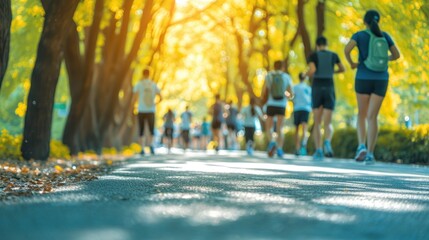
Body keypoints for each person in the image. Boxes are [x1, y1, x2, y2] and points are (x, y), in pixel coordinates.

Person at [344, 10, 400, 164]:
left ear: (365, 22)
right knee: (372, 116)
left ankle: (361, 145)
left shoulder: (359, 35)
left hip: (362, 77)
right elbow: (397, 55)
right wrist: (384, 58)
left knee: (362, 114)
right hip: (381, 79)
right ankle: (370, 153)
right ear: (378, 21)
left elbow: (346, 50)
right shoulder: (385, 36)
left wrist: (352, 63)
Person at [303, 36, 345, 160]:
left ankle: (319, 150)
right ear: (326, 44)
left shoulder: (313, 55)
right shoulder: (334, 55)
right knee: (328, 123)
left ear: (317, 45)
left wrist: (305, 74)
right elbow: (343, 69)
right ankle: (327, 141)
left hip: (317, 87)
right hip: (329, 87)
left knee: (317, 122)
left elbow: (312, 69)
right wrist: (332, 72)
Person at [261, 60, 294, 158]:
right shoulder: (286, 77)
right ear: (282, 67)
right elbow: (291, 94)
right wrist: (286, 95)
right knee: (280, 128)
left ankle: (272, 142)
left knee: (269, 127)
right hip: (282, 105)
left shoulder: (269, 76)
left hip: (271, 104)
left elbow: (263, 92)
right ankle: (279, 149)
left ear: (274, 66)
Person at [133, 68, 162, 155]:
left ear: (142, 74)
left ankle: (142, 149)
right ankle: (151, 146)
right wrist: (155, 103)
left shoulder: (139, 84)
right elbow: (161, 97)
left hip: (141, 109)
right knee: (151, 129)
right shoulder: (153, 84)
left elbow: (134, 96)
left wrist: (134, 106)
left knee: (141, 129)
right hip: (151, 110)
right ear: (149, 74)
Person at [293, 72, 312, 156]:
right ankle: (303, 145)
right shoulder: (308, 88)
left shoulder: (295, 87)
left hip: (297, 108)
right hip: (306, 109)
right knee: (304, 128)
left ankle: (297, 148)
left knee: (296, 130)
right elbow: (311, 99)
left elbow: (292, 98)